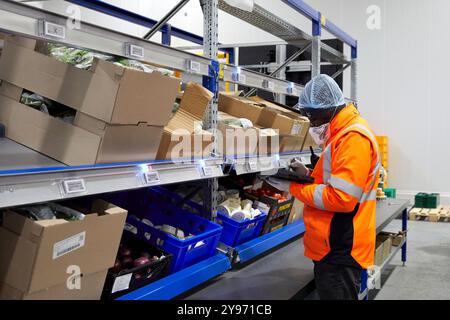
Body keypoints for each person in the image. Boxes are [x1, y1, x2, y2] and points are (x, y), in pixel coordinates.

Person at [268, 74, 380, 300]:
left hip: (340, 248)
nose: (311, 123)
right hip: (334, 244)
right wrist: (306, 175)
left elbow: (341, 198)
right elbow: (334, 179)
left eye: (312, 115)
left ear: (328, 109)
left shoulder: (352, 138)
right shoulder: (342, 132)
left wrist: (293, 188)